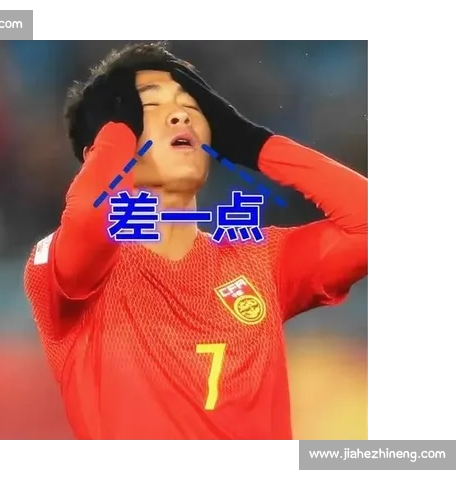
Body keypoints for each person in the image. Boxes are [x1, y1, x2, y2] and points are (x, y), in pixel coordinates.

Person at [23, 42, 368, 440]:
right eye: (148, 107)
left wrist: (255, 144)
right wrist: (116, 131)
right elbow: (90, 217)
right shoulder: (67, 277)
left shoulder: (262, 259)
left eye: (194, 106)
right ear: (104, 149)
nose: (181, 115)